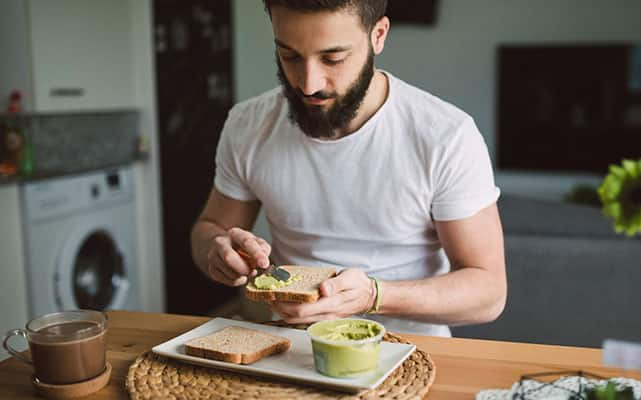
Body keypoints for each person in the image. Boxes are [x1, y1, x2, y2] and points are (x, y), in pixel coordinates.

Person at [190, 0, 506, 337]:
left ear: (378, 35)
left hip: (411, 352)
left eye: (333, 58)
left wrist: (374, 295)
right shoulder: (248, 124)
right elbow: (210, 228)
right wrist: (218, 250)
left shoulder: (445, 136)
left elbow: (488, 293)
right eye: (290, 56)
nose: (308, 84)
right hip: (289, 346)